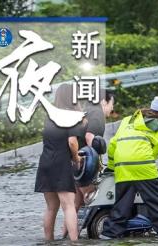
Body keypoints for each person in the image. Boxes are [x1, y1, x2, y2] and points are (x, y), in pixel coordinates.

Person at [100, 96, 158, 239]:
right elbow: (153, 154)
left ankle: (109, 234)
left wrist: (111, 167)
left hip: (122, 165)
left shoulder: (127, 120)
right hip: (143, 166)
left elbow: (112, 145)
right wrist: (145, 168)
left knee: (121, 204)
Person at [34, 84, 85, 241]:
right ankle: (74, 242)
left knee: (51, 208)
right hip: (61, 163)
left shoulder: (50, 116)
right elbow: (71, 142)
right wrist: (77, 159)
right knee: (69, 206)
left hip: (45, 163)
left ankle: (49, 241)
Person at [65, 89, 115, 238]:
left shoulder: (87, 110)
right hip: (84, 165)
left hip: (73, 163)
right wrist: (97, 162)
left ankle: (67, 237)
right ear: (104, 101)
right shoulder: (97, 113)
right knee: (91, 196)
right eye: (112, 104)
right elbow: (90, 137)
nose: (112, 109)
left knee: (75, 205)